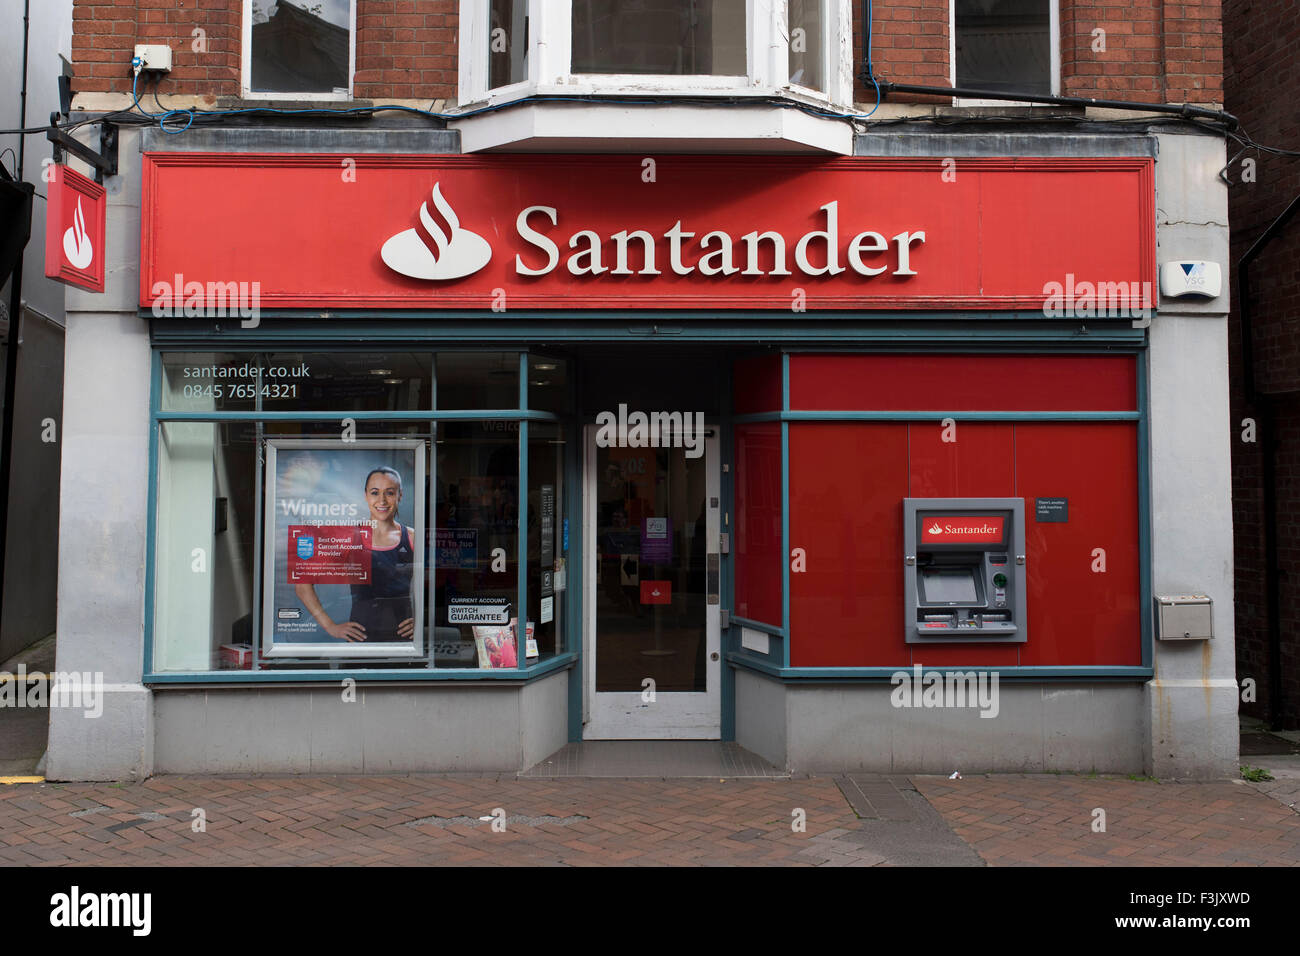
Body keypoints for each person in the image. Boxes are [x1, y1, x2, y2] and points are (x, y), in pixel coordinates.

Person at [295, 466, 416, 643]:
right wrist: (330, 626)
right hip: (361, 640)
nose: (381, 500)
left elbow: (435, 589)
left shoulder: (413, 538)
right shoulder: (349, 537)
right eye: (375, 492)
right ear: (366, 495)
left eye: (389, 493)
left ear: (400, 495)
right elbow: (302, 585)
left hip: (406, 642)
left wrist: (422, 621)